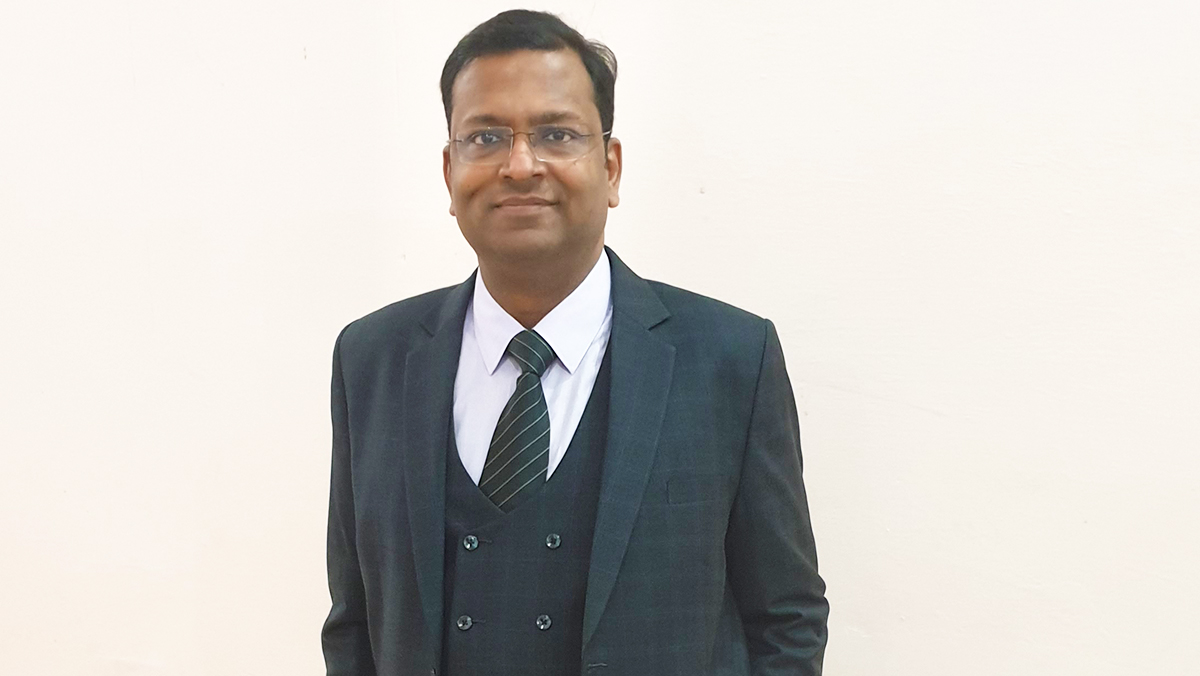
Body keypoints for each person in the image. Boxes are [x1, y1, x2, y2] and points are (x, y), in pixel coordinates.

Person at [322, 9, 828, 676]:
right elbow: (355, 624)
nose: (519, 165)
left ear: (611, 168)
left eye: (556, 134)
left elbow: (786, 620)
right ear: (449, 172)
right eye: (486, 137)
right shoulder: (372, 360)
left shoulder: (730, 359)